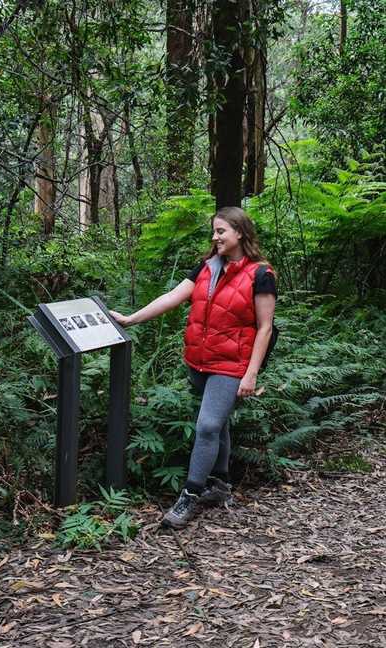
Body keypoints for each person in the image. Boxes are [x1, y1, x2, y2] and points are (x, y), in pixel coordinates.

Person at [109, 206, 277, 528]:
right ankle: (221, 484)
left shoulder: (260, 274)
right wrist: (132, 319)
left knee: (208, 426)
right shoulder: (207, 267)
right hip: (199, 362)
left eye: (221, 232)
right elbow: (173, 296)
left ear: (240, 233)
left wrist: (251, 373)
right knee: (219, 424)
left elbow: (265, 327)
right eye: (213, 232)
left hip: (232, 365)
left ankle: (190, 494)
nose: (215, 238)